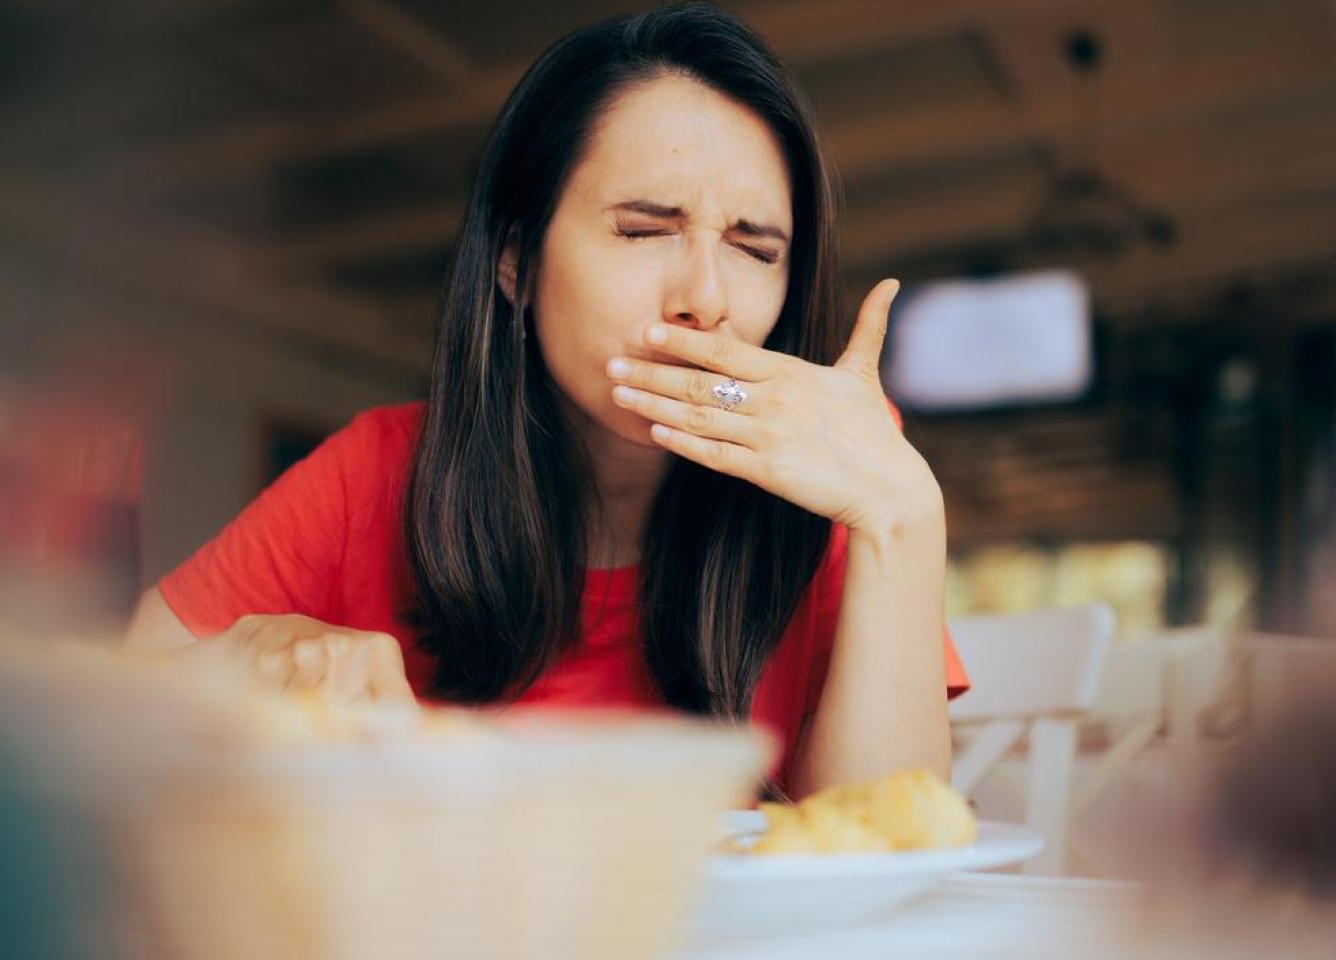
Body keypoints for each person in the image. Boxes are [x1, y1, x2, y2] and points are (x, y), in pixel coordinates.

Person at [122, 2, 967, 798]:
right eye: (643, 230)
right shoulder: (380, 471)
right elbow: (116, 703)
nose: (706, 299)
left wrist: (900, 516)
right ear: (517, 263)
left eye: (755, 249)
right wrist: (256, 658)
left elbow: (882, 835)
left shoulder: (842, 470)